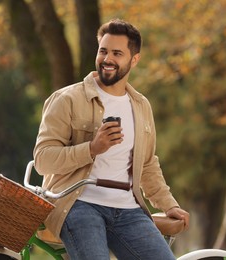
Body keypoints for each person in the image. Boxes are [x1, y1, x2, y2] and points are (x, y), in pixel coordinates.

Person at [33, 18, 190, 260]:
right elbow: (43, 160)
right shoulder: (67, 99)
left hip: (128, 209)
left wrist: (168, 204)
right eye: (103, 51)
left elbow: (147, 164)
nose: (107, 59)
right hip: (78, 205)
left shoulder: (140, 106)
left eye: (117, 53)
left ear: (134, 59)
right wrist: (92, 148)